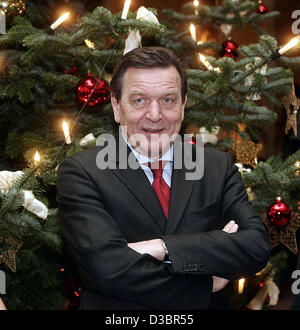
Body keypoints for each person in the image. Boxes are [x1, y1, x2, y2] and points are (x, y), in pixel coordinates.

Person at [56, 47, 270, 310]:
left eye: (168, 100)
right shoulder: (82, 172)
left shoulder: (216, 166)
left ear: (183, 104)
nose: (155, 115)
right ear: (116, 106)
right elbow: (106, 269)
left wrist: (161, 247)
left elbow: (256, 247)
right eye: (139, 101)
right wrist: (206, 283)